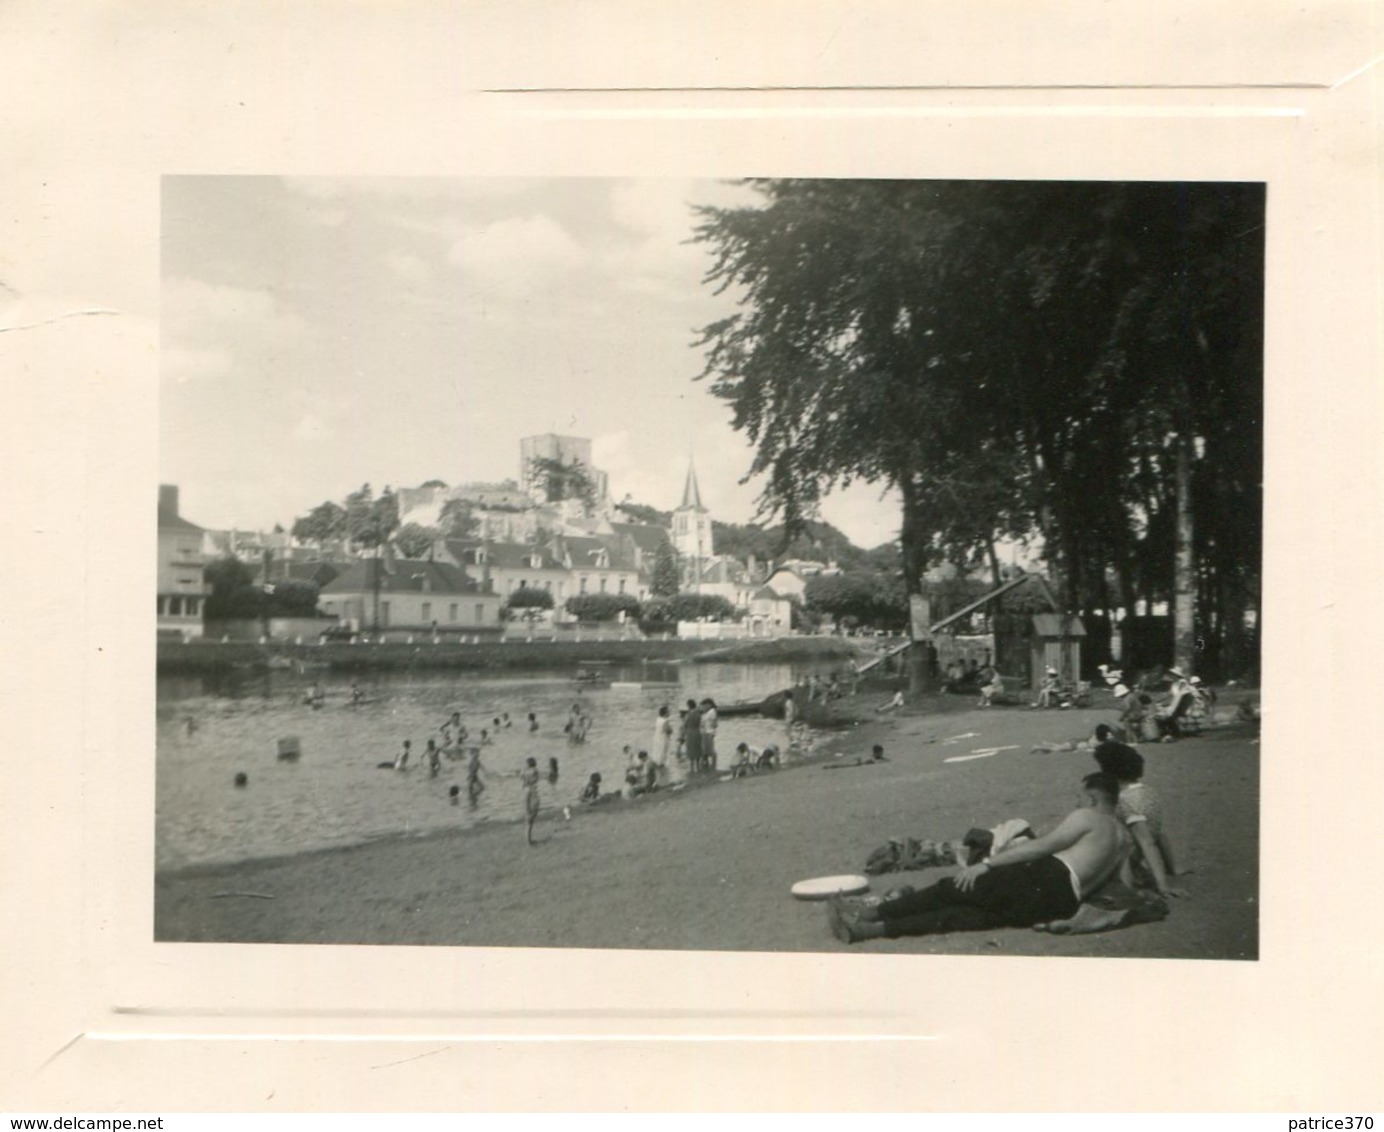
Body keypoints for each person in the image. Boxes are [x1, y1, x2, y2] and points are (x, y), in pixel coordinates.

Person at [826, 772, 1132, 943]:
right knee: (967, 917)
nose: (1076, 801)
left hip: (1050, 877)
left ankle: (869, 915)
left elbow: (1042, 848)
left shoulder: (1088, 817)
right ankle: (866, 931)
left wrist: (986, 866)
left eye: (1079, 796)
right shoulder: (1123, 838)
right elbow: (1122, 882)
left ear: (1092, 798)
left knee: (953, 890)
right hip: (1063, 902)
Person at [1093, 741, 1189, 900]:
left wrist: (1163, 886)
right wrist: (1172, 867)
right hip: (1134, 860)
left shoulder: (1124, 800)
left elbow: (1147, 843)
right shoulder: (1149, 793)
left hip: (1123, 865)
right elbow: (1158, 836)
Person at [520, 757, 542, 845]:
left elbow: (521, 777)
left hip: (526, 791)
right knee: (531, 818)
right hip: (532, 792)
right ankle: (529, 841)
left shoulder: (523, 771)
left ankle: (528, 839)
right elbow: (536, 779)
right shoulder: (534, 771)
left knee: (528, 816)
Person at [682, 699, 704, 774]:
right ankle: (698, 766)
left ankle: (691, 767)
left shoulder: (688, 715)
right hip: (697, 732)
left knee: (691, 749)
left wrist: (682, 735)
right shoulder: (698, 714)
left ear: (689, 706)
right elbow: (701, 724)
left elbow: (685, 725)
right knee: (697, 748)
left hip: (690, 733)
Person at [653, 704, 675, 768]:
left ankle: (657, 764)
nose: (669, 713)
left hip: (657, 737)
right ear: (665, 713)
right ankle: (661, 766)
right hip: (663, 739)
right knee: (662, 752)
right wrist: (671, 729)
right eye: (668, 711)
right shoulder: (665, 721)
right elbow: (668, 731)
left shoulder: (658, 719)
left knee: (657, 752)